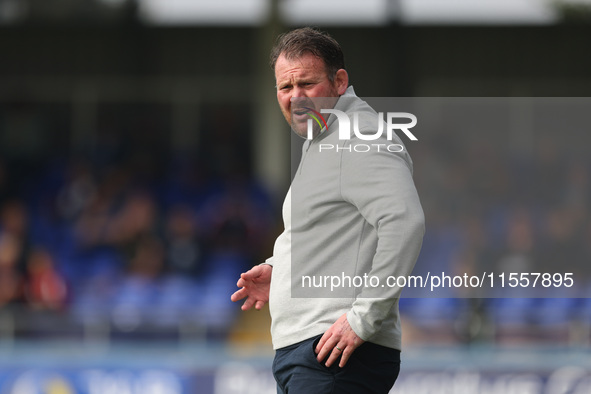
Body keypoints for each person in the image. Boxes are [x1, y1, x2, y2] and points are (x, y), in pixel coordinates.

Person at [231, 27, 425, 393]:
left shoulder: (358, 137)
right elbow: (337, 230)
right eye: (285, 88)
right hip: (314, 352)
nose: (296, 97)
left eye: (306, 83)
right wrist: (282, 271)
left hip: (333, 355)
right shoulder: (325, 137)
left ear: (339, 81)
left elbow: (405, 222)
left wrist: (363, 319)